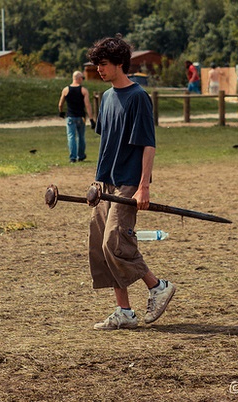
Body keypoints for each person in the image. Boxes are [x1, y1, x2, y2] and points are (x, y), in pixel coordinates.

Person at [86, 35, 176, 330]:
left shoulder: (138, 97)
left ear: (120, 64)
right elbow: (107, 143)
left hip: (128, 182)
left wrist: (143, 186)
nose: (99, 69)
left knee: (116, 240)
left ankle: (157, 286)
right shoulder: (108, 97)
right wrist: (97, 182)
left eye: (103, 64)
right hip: (105, 183)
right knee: (101, 245)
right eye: (97, 64)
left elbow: (147, 145)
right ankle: (124, 311)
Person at [58, 71, 95, 163]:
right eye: (82, 78)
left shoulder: (66, 90)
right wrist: (91, 119)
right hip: (81, 117)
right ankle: (81, 155)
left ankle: (72, 157)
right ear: (78, 78)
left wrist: (61, 112)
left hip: (70, 116)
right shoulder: (83, 90)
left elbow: (60, 104)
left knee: (71, 137)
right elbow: (87, 105)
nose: (83, 80)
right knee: (81, 137)